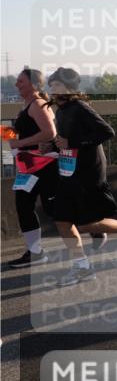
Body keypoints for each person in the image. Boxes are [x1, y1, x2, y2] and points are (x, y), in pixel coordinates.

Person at [46, 68, 117, 286]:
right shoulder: (62, 109)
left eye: (56, 85)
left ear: (69, 87)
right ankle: (86, 264)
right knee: (66, 220)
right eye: (51, 84)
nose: (52, 89)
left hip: (88, 172)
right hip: (70, 170)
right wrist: (52, 144)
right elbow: (68, 138)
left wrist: (72, 142)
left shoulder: (80, 107)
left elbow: (106, 132)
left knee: (79, 222)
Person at [7, 69, 61, 267]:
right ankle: (35, 252)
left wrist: (19, 144)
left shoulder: (38, 104)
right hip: (29, 166)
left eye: (20, 81)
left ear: (34, 84)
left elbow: (50, 132)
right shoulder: (26, 105)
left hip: (45, 165)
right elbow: (22, 133)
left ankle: (97, 227)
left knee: (53, 209)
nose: (16, 85)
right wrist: (8, 135)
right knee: (23, 205)